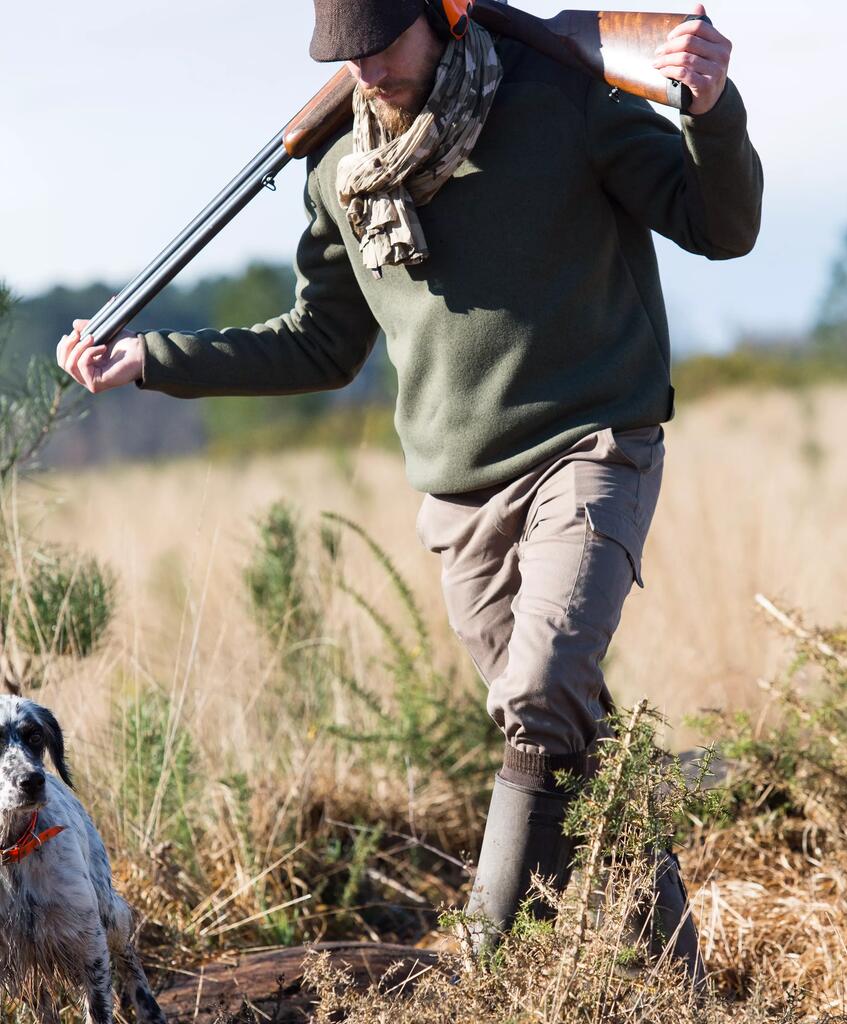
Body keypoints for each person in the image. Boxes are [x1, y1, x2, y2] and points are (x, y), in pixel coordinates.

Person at [57, 0, 762, 985]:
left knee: (537, 694)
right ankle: (680, 984)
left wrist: (712, 109)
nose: (365, 73)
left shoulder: (563, 93)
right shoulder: (340, 167)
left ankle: (480, 962)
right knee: (567, 738)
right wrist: (149, 358)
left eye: (381, 46)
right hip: (460, 500)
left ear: (442, 16)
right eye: (342, 57)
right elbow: (320, 344)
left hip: (591, 448)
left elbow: (719, 226)